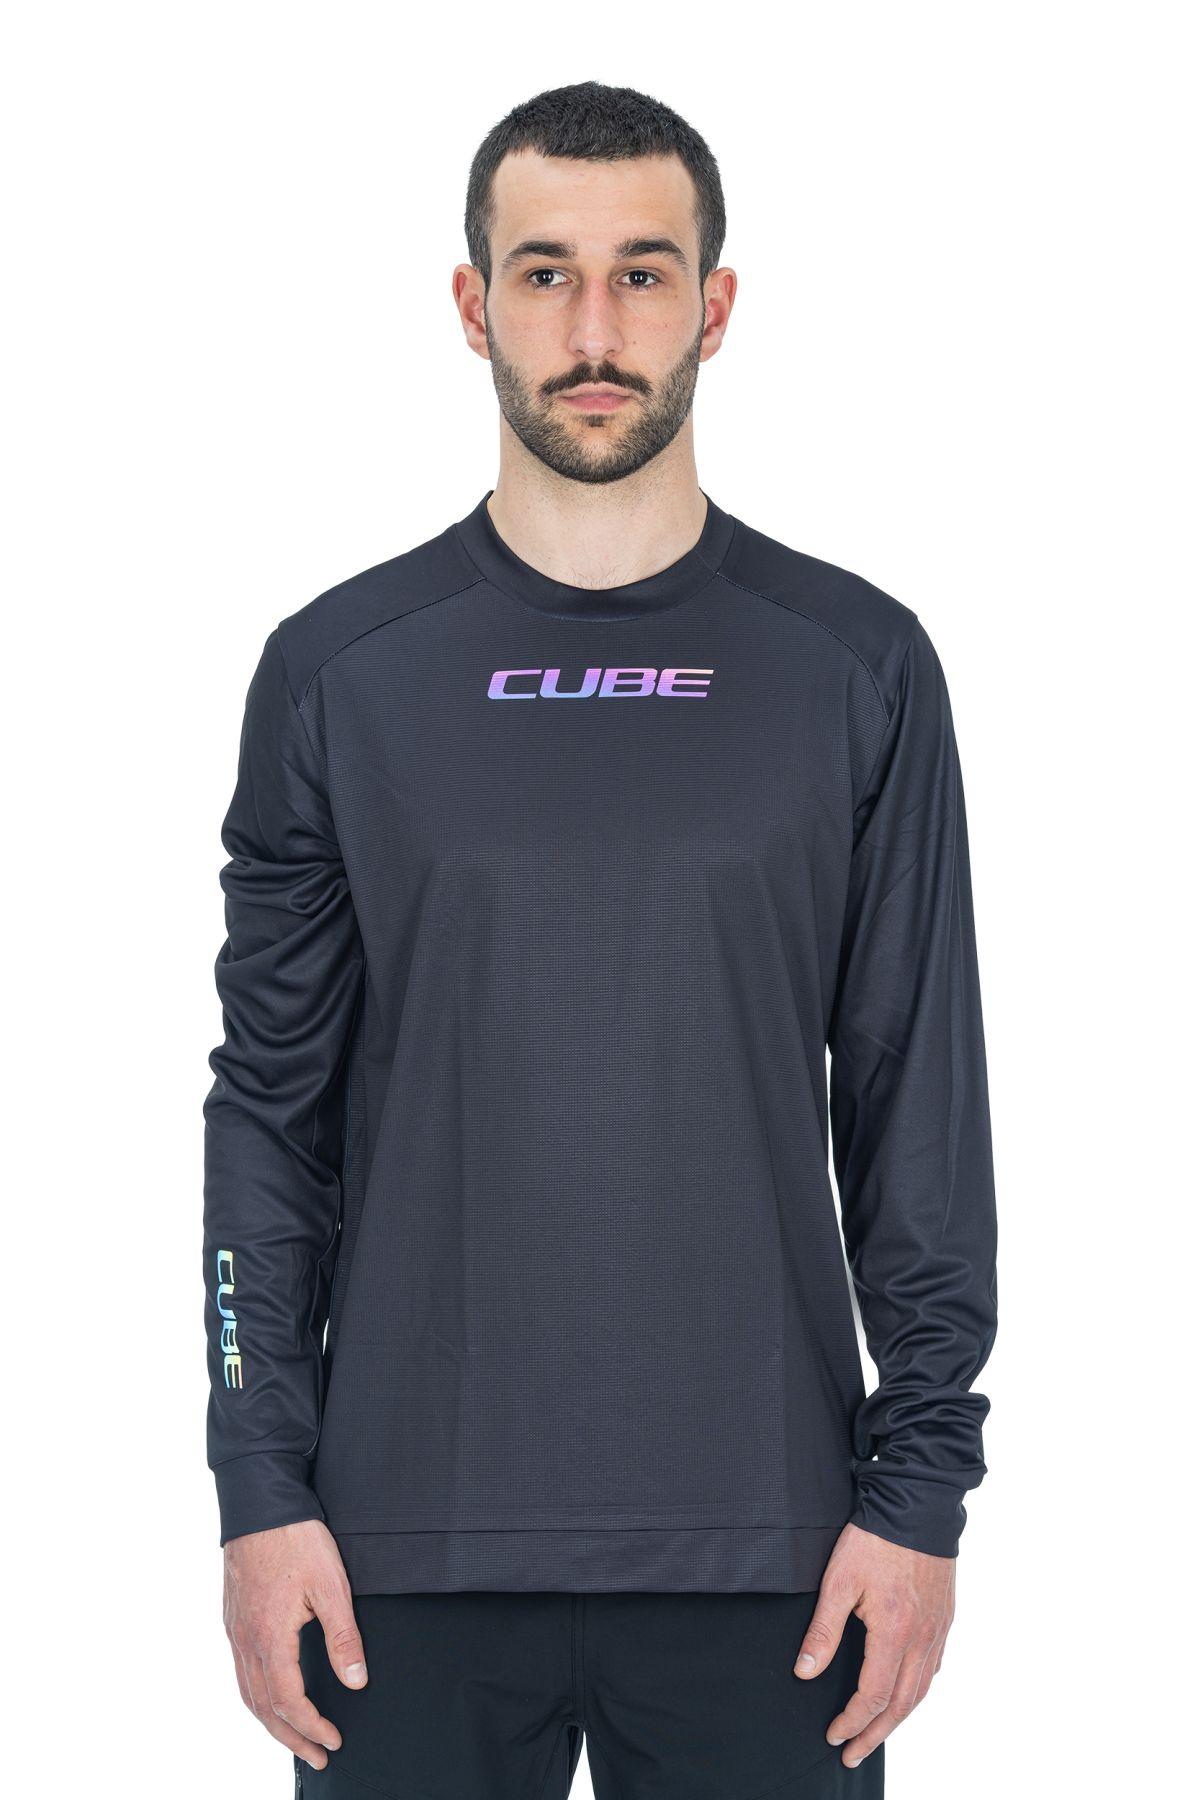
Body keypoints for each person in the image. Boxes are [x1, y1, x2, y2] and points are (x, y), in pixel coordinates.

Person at [203, 80, 998, 1799]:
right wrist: (259, 1487)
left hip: (779, 1558)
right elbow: (269, 1112)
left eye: (642, 274)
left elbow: (916, 1107)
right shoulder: (342, 672)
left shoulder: (854, 666)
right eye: (545, 272)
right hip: (394, 1557)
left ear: (715, 305)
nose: (592, 329)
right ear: (472, 303)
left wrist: (921, 1491)